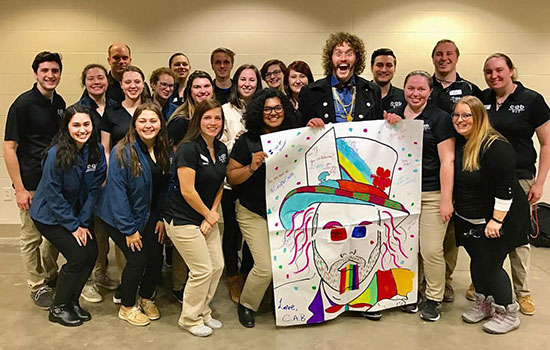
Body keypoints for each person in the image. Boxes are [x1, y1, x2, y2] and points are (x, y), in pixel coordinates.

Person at [452, 95, 529, 334]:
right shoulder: (463, 142)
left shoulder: (495, 145)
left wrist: (497, 220)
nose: (460, 119)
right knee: (478, 261)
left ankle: (508, 312)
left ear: (479, 117)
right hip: (471, 218)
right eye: (456, 115)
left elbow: (505, 187)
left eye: (467, 115)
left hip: (499, 218)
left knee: (490, 265)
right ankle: (484, 303)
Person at [480, 53, 550, 315]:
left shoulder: (531, 100)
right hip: (486, 180)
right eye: (488, 71)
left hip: (520, 178)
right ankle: (485, 283)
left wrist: (540, 182)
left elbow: (546, 143)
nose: (494, 75)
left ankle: (523, 292)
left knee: (518, 237)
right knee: (488, 235)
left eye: (499, 70)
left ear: (511, 71)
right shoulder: (483, 99)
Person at [226, 88, 299, 328]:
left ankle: (284, 304)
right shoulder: (247, 141)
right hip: (252, 211)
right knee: (265, 267)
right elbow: (232, 176)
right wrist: (251, 167)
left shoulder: (295, 136)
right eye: (267, 108)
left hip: (285, 212)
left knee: (291, 262)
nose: (273, 113)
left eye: (278, 108)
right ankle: (246, 304)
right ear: (259, 111)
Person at [386, 70, 455, 322]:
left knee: (431, 249)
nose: (415, 93)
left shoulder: (440, 118)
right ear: (403, 89)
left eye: (421, 89)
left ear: (430, 92)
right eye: (411, 88)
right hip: (401, 195)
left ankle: (434, 298)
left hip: (431, 194)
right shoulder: (392, 117)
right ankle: (410, 293)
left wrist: (446, 199)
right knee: (404, 248)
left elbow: (447, 160)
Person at [30, 105, 107, 326]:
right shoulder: (56, 153)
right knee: (77, 256)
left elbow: (94, 190)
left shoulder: (96, 151)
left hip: (77, 215)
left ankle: (72, 302)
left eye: (86, 124)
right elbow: (53, 195)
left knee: (91, 253)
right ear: (67, 127)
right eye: (76, 125)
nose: (82, 130)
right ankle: (58, 307)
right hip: (49, 215)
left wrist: (82, 222)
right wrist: (74, 226)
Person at [97, 103, 172, 326]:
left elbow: (166, 188)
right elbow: (117, 195)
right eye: (143, 121)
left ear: (161, 123)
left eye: (153, 121)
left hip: (148, 213)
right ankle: (127, 306)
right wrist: (129, 231)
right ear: (135, 124)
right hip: (117, 216)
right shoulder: (124, 151)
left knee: (156, 255)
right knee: (138, 258)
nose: (148, 125)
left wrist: (161, 218)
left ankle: (146, 297)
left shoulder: (164, 150)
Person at [3, 51, 65, 309]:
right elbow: (9, 148)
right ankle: (36, 285)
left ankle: (50, 277)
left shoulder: (59, 103)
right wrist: (19, 188)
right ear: (36, 73)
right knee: (32, 237)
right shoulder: (22, 105)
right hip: (30, 183)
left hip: (54, 183)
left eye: (55, 71)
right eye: (45, 71)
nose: (50, 75)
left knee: (53, 237)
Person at [163, 99, 227, 337]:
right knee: (201, 269)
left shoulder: (220, 149)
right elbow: (187, 190)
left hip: (206, 217)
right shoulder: (188, 148)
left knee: (217, 266)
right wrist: (207, 214)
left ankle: (203, 312)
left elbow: (220, 184)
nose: (213, 122)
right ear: (198, 120)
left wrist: (211, 215)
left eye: (217, 118)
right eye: (207, 117)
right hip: (182, 219)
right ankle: (189, 318)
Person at [430, 39, 482, 302]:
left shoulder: (470, 89)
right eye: (439, 54)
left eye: (449, 53)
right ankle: (439, 281)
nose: (444, 58)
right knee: (440, 231)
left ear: (457, 57)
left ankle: (473, 280)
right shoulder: (426, 87)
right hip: (432, 168)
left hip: (464, 163)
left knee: (463, 228)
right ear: (433, 58)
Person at [76, 64, 120, 303]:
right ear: (84, 82)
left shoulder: (114, 106)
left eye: (100, 78)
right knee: (93, 232)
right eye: (90, 78)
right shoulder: (80, 110)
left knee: (106, 230)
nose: (96, 82)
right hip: (90, 178)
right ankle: (90, 281)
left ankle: (101, 274)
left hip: (113, 178)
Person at [219, 64, 262, 303]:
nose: (247, 83)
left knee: (252, 233)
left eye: (252, 80)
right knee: (232, 230)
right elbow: (219, 142)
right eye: (243, 79)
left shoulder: (262, 108)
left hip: (256, 181)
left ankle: (246, 272)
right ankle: (232, 276)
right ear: (236, 83)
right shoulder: (225, 110)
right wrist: (236, 143)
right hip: (231, 181)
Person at [300, 32, 382, 127]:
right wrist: (308, 126)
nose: (343, 58)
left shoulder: (373, 90)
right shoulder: (310, 92)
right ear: (330, 59)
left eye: (349, 54)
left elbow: (378, 129)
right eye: (338, 53)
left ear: (357, 59)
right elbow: (300, 130)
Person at [101, 66, 150, 162]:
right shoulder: (111, 112)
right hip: (120, 166)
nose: (133, 86)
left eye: (137, 82)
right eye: (128, 82)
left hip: (149, 167)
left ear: (143, 84)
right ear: (121, 85)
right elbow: (106, 150)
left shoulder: (152, 112)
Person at [168, 70, 215, 146]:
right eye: (197, 87)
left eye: (206, 86)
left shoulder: (217, 117)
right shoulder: (180, 122)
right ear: (190, 91)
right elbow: (176, 155)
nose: (203, 91)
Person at [370, 48, 405, 112]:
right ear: (372, 68)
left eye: (389, 65)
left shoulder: (403, 97)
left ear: (394, 69)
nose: (384, 70)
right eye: (379, 65)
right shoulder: (360, 95)